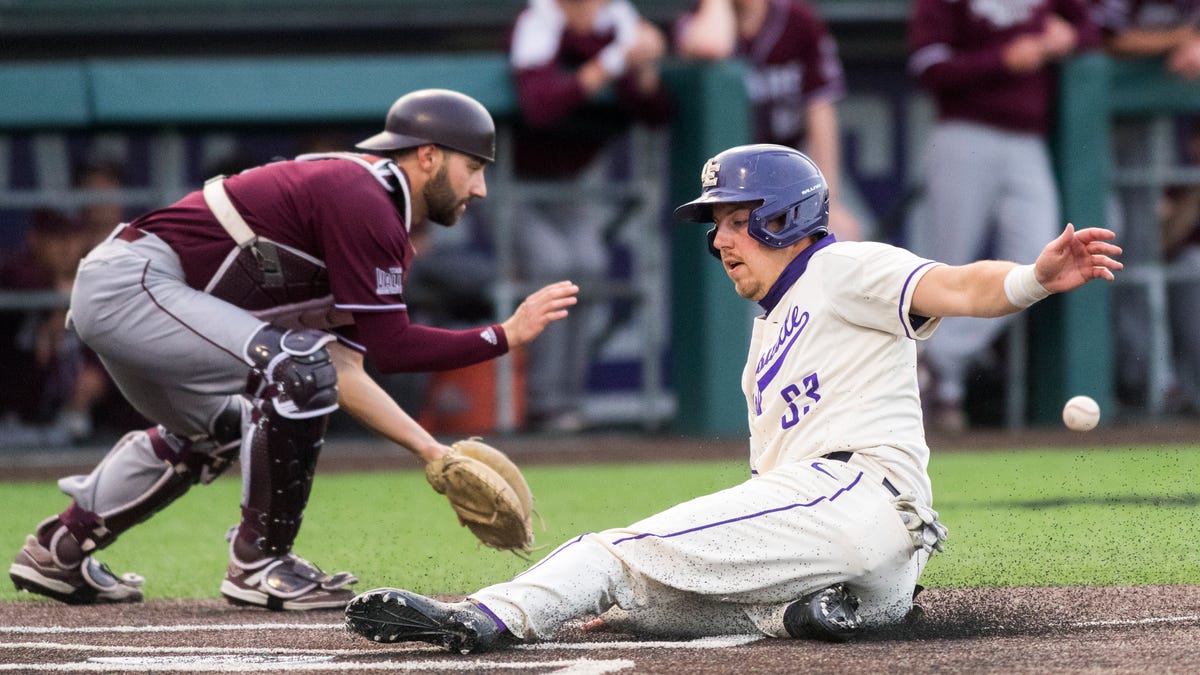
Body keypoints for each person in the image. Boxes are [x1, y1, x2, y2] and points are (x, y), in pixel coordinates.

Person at [343, 143, 1123, 651]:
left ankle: (489, 613)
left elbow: (955, 285)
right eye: (715, 224)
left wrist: (1030, 279)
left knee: (611, 552)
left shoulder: (840, 267)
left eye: (737, 222)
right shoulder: (760, 349)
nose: (719, 240)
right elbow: (761, 505)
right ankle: (804, 612)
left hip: (854, 494)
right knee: (636, 600)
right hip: (873, 561)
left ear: (788, 218)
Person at [8, 89, 580, 610]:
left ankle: (59, 550)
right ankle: (261, 563)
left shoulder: (377, 212)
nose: (479, 188)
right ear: (428, 156)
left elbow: (348, 366)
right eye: (473, 166)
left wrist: (431, 452)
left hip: (140, 293)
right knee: (294, 366)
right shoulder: (364, 197)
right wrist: (503, 335)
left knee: (223, 426)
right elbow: (395, 348)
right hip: (133, 282)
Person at [906, 0, 1099, 430]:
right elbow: (927, 66)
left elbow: (1095, 26)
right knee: (948, 267)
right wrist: (1001, 59)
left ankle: (935, 361)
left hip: (1027, 139)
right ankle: (945, 392)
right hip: (963, 132)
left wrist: (1070, 37)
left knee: (1039, 264)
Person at [507, 0, 672, 432]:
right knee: (550, 266)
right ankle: (543, 405)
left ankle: (569, 402)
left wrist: (645, 69)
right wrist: (615, 60)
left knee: (589, 268)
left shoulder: (617, 19)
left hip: (573, 181)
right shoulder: (539, 21)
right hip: (509, 179)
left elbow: (654, 111)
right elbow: (539, 106)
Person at [674, 0, 863, 240]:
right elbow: (711, 46)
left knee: (841, 234)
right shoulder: (698, 19)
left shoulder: (798, 20)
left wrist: (830, 198)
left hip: (790, 165)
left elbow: (819, 108)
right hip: (724, 176)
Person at [1091, 1, 1200, 414]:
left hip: (1153, 141)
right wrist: (1182, 38)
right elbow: (1108, 36)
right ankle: (1136, 380)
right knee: (1114, 246)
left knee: (1154, 256)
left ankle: (1163, 382)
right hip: (1102, 136)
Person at [0, 208, 104, 445]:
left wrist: (98, 374)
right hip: (12, 427)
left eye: (74, 237)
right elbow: (17, 278)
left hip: (72, 421)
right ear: (35, 239)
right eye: (58, 238)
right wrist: (55, 298)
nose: (67, 248)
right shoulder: (16, 273)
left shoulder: (94, 277)